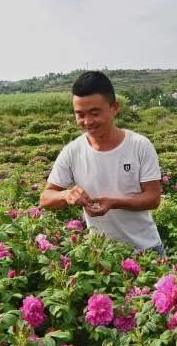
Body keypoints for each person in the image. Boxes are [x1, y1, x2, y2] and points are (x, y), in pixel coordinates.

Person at [40, 71, 165, 253]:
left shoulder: (139, 146)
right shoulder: (73, 151)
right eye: (80, 115)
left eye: (95, 113)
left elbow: (153, 198)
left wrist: (114, 203)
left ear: (114, 107)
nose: (87, 121)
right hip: (101, 255)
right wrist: (66, 195)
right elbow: (45, 198)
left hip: (146, 249)